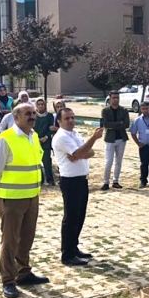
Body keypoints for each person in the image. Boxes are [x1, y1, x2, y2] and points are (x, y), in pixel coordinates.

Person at [0, 104, 49, 298]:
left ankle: (24, 272)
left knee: (27, 238)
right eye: (28, 114)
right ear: (16, 117)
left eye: (33, 114)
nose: (32, 117)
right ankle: (8, 280)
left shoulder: (34, 136)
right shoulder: (5, 140)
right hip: (11, 199)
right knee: (10, 240)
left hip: (32, 197)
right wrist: (0, 194)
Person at [52, 108, 105, 266]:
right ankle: (67, 254)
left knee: (79, 216)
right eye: (67, 118)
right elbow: (79, 153)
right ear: (59, 122)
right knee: (71, 217)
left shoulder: (75, 134)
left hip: (82, 179)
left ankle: (74, 247)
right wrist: (93, 138)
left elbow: (88, 153)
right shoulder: (61, 136)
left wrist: (80, 153)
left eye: (72, 117)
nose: (71, 120)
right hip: (70, 180)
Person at [100, 91, 130, 190]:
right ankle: (106, 182)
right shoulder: (105, 111)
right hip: (110, 139)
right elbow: (106, 124)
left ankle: (116, 181)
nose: (116, 99)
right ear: (110, 98)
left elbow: (126, 124)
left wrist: (113, 124)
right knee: (108, 161)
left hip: (121, 138)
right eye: (114, 97)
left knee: (119, 161)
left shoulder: (124, 110)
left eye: (117, 97)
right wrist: (118, 123)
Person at [129, 101, 149, 189]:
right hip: (143, 146)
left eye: (147, 108)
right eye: (143, 109)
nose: (145, 110)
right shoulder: (137, 120)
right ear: (141, 110)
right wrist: (138, 143)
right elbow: (133, 133)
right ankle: (143, 181)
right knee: (144, 164)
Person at [33, 98, 56, 185]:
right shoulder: (34, 115)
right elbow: (32, 128)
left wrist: (46, 136)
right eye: (38, 104)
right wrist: (37, 138)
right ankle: (40, 180)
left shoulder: (49, 116)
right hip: (36, 141)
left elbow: (51, 128)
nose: (40, 106)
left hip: (46, 141)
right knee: (37, 162)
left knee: (47, 161)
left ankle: (50, 180)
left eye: (42, 104)